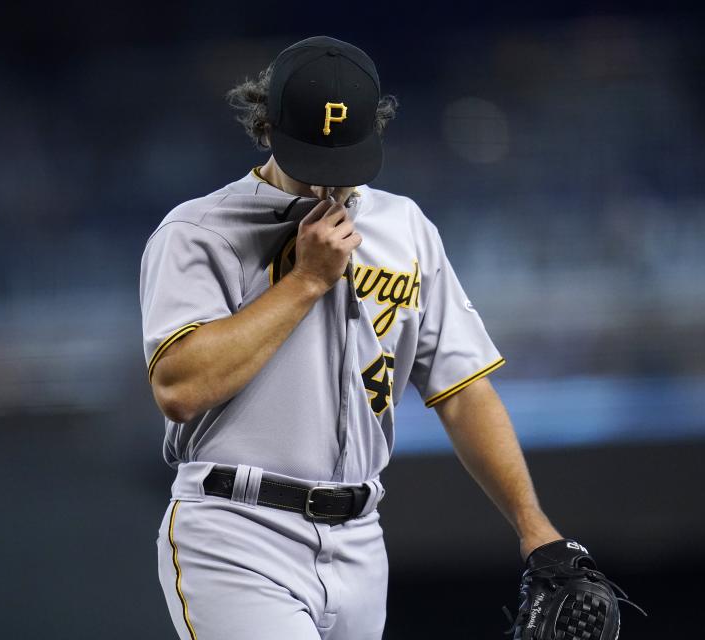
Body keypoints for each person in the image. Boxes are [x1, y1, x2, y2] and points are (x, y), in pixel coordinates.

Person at [139, 35, 563, 640]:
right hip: (236, 530)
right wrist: (306, 280)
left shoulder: (404, 226)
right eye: (312, 158)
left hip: (361, 538)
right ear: (266, 127)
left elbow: (464, 391)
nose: (328, 184)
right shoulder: (199, 231)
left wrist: (533, 525)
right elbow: (178, 387)